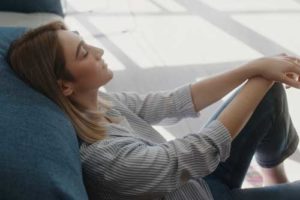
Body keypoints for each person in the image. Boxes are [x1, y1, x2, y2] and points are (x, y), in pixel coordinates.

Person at [7, 21, 300, 200]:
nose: (99, 52)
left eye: (85, 43)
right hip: (201, 189)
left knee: (268, 94)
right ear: (65, 86)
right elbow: (203, 149)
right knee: (264, 87)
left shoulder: (101, 103)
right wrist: (262, 74)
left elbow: (176, 101)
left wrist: (254, 68)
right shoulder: (106, 161)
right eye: (84, 54)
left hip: (194, 181)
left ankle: (274, 175)